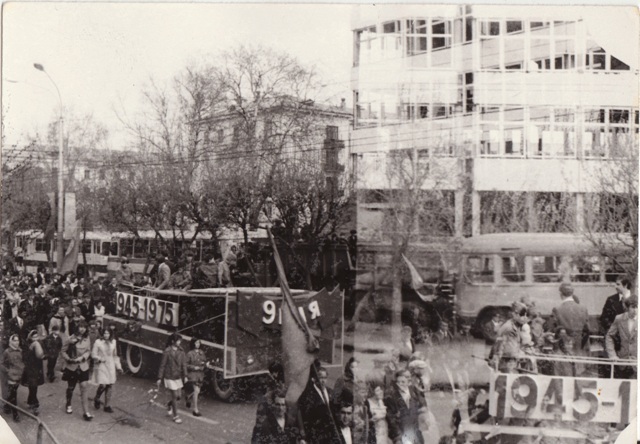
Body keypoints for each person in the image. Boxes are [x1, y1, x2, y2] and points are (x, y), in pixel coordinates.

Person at [61, 320, 94, 421]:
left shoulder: (87, 338)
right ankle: (68, 403)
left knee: (84, 387)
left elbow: (88, 351)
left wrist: (82, 358)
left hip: (83, 366)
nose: (82, 329)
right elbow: (63, 351)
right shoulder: (71, 338)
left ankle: (86, 412)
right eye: (80, 327)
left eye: (84, 327)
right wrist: (68, 359)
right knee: (71, 387)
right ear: (77, 328)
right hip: (72, 367)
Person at [298, 365, 339, 444]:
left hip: (330, 434)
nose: (323, 381)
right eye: (320, 377)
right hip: (316, 436)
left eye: (325, 378)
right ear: (314, 379)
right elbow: (305, 418)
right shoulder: (308, 396)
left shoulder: (330, 392)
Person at [549, 283, 590, 359]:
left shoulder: (557, 309)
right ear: (572, 293)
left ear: (560, 293)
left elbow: (552, 330)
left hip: (563, 351)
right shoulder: (583, 308)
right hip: (579, 349)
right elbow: (587, 330)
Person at [385, 369, 425, 444]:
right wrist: (398, 437)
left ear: (408, 382)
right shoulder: (391, 397)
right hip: (402, 433)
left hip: (415, 432)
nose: (400, 384)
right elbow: (391, 419)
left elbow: (422, 406)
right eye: (398, 382)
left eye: (403, 382)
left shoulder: (414, 392)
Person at [157, 333, 187, 424]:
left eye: (180, 341)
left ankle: (169, 405)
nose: (179, 342)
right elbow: (162, 365)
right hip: (169, 376)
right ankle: (175, 416)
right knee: (174, 396)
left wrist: (185, 375)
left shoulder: (181, 351)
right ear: (173, 341)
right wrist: (159, 377)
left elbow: (184, 364)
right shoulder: (167, 351)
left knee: (178, 396)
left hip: (177, 376)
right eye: (178, 341)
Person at [490, 301, 529, 373]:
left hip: (513, 360)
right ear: (514, 314)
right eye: (522, 315)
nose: (525, 318)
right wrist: (494, 356)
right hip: (506, 362)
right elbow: (498, 341)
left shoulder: (516, 326)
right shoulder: (508, 327)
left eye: (526, 315)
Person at [605, 296, 638, 379]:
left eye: (638, 307)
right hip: (622, 362)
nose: (636, 310)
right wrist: (612, 355)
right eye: (633, 307)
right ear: (627, 308)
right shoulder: (619, 319)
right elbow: (609, 336)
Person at [91, 327, 122, 413]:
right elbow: (93, 354)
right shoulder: (98, 342)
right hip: (101, 365)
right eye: (104, 333)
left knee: (110, 385)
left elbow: (115, 356)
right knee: (103, 385)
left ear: (111, 334)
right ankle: (97, 398)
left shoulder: (113, 342)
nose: (106, 335)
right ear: (102, 334)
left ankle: (107, 405)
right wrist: (100, 359)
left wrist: (118, 367)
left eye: (108, 333)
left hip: (110, 365)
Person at [20, 330, 45, 416]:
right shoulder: (27, 345)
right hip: (30, 369)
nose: (35, 338)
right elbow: (25, 357)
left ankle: (30, 401)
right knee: (33, 386)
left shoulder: (39, 344)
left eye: (37, 336)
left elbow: (42, 355)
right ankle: (35, 404)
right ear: (30, 337)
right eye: (33, 337)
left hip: (37, 368)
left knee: (34, 386)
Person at [1, 334, 24, 422]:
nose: (17, 342)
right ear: (11, 341)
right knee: (14, 395)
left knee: (13, 393)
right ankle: (15, 414)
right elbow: (2, 363)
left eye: (18, 340)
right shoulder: (7, 352)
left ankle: (7, 406)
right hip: (11, 377)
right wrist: (8, 371)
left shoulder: (20, 350)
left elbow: (21, 362)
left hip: (18, 375)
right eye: (14, 340)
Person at [185, 338, 206, 417]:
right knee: (196, 390)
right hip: (193, 374)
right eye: (196, 342)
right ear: (193, 343)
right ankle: (195, 409)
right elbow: (186, 365)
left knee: (197, 391)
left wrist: (204, 364)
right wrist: (194, 368)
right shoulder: (190, 354)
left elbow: (203, 361)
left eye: (199, 342)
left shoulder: (202, 353)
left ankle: (188, 397)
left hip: (200, 375)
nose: (198, 344)